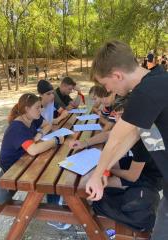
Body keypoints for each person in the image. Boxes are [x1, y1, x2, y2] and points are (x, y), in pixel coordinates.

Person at [85, 40, 168, 240]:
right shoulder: (157, 80)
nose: (107, 89)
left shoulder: (146, 92)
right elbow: (131, 135)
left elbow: (116, 137)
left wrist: (97, 175)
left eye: (105, 84)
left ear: (117, 75)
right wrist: (105, 167)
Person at [70, 96, 162, 191]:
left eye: (122, 115)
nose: (118, 119)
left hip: (150, 177)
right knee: (98, 169)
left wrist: (105, 170)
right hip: (138, 165)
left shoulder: (145, 138)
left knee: (91, 183)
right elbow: (107, 135)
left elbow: (132, 176)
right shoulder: (133, 126)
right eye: (116, 115)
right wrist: (84, 143)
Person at [0, 93, 61, 172]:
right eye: (37, 108)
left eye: (40, 107)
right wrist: (56, 140)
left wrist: (40, 133)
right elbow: (33, 150)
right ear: (27, 109)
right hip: (11, 169)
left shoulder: (32, 117)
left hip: (25, 159)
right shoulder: (17, 127)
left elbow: (48, 125)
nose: (40, 110)